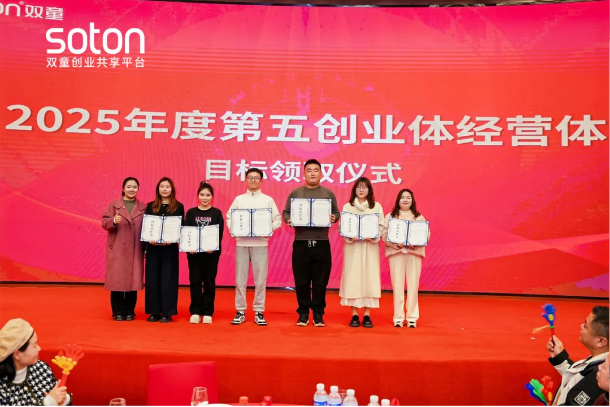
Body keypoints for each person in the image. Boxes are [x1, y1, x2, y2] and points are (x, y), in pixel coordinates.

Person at [282, 159, 340, 327]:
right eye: (309, 170)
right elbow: (286, 212)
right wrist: (288, 219)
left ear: (321, 173)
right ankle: (303, 313)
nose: (312, 173)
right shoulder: (295, 193)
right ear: (304, 173)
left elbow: (336, 212)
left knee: (321, 281)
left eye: (316, 170)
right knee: (302, 281)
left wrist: (334, 217)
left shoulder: (328, 194)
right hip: (301, 242)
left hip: (322, 242)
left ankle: (318, 313)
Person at [226, 168, 281, 326]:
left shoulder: (268, 200)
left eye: (256, 178)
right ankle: (240, 311)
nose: (253, 181)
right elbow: (229, 217)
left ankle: (259, 311)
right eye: (250, 178)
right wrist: (233, 230)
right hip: (242, 243)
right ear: (246, 180)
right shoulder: (239, 199)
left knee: (260, 279)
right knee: (240, 279)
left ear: (261, 181)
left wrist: (269, 230)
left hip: (260, 244)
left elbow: (277, 220)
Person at [339, 177, 384, 328]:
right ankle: (354, 314)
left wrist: (374, 236)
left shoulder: (376, 206)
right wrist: (349, 235)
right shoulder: (348, 207)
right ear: (354, 190)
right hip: (353, 248)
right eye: (359, 187)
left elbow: (381, 226)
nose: (361, 189)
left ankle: (367, 314)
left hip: (370, 248)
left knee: (369, 279)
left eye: (365, 187)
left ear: (369, 190)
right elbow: (342, 226)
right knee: (353, 279)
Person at [382, 189, 429, 328]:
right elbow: (384, 235)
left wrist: (417, 243)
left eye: (408, 197)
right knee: (397, 286)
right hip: (396, 254)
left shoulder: (419, 217)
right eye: (402, 197)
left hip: (414, 254)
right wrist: (396, 244)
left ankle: (412, 317)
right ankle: (398, 317)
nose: (405, 200)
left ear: (412, 200)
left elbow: (426, 234)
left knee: (413, 286)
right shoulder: (390, 216)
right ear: (398, 200)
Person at [101, 177, 147, 321]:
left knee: (133, 281)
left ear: (138, 189)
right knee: (118, 280)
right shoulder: (114, 205)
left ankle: (129, 311)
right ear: (123, 188)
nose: (131, 189)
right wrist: (113, 221)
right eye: (128, 187)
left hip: (135, 249)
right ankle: (117, 311)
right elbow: (104, 222)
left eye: (134, 187)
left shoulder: (143, 207)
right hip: (118, 249)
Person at [547, 305, 609, 406]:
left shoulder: (598, 376)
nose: (581, 326)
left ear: (601, 341)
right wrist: (560, 358)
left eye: (585, 326)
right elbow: (578, 378)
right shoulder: (599, 361)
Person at [0, 319, 70, 406]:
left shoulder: (42, 368)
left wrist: (63, 400)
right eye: (34, 345)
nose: (39, 348)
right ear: (17, 354)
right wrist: (48, 403)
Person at [145, 177, 185, 323]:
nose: (164, 189)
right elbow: (147, 226)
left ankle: (167, 312)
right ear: (158, 189)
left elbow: (181, 227)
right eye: (162, 186)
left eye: (167, 186)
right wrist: (149, 238)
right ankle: (154, 311)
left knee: (168, 279)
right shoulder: (150, 206)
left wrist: (173, 237)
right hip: (153, 248)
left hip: (170, 249)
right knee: (152, 279)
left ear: (172, 189)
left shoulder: (178, 207)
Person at [185, 181, 224, 324]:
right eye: (202, 195)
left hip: (211, 254)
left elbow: (219, 233)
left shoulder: (217, 213)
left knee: (209, 282)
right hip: (194, 254)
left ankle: (208, 311)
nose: (205, 198)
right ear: (197, 196)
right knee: (195, 282)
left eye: (208, 195)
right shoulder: (191, 212)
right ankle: (195, 311)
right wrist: (190, 247)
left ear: (212, 197)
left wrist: (212, 246)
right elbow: (187, 232)